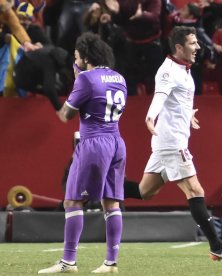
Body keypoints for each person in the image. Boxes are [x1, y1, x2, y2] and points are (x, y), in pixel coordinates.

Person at [125, 26, 222, 261]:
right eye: (193, 43)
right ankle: (216, 246)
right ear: (179, 47)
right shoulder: (169, 71)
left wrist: (188, 113)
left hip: (166, 140)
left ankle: (100, 187)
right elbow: (160, 96)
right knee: (195, 190)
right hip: (172, 142)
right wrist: (150, 116)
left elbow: (175, 99)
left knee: (145, 191)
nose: (198, 47)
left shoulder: (184, 68)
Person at [38, 32, 127, 274]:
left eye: (77, 56)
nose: (75, 61)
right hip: (117, 142)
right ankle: (111, 262)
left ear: (85, 56)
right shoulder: (119, 77)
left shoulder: (86, 78)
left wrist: (77, 80)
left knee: (72, 200)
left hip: (94, 143)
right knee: (111, 203)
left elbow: (66, 114)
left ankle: (68, 261)